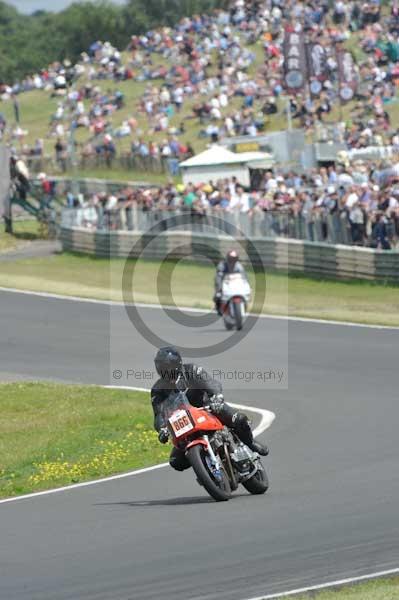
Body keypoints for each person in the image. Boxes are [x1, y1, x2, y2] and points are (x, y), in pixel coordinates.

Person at [151, 347, 268, 472]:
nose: (163, 370)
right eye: (160, 366)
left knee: (239, 420)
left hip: (208, 408)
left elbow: (210, 383)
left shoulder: (191, 370)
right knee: (176, 462)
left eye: (166, 367)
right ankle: (204, 464)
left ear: (176, 364)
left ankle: (250, 443)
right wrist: (162, 428)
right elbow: (159, 414)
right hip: (186, 423)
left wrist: (216, 396)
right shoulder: (158, 389)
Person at [214, 249, 248, 315]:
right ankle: (219, 307)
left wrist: (246, 284)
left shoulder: (239, 266)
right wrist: (219, 288)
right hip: (224, 283)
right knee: (217, 295)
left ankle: (243, 307)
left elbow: (244, 277)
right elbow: (219, 277)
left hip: (235, 283)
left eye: (234, 259)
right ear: (227, 258)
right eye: (231, 258)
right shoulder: (222, 265)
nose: (232, 260)